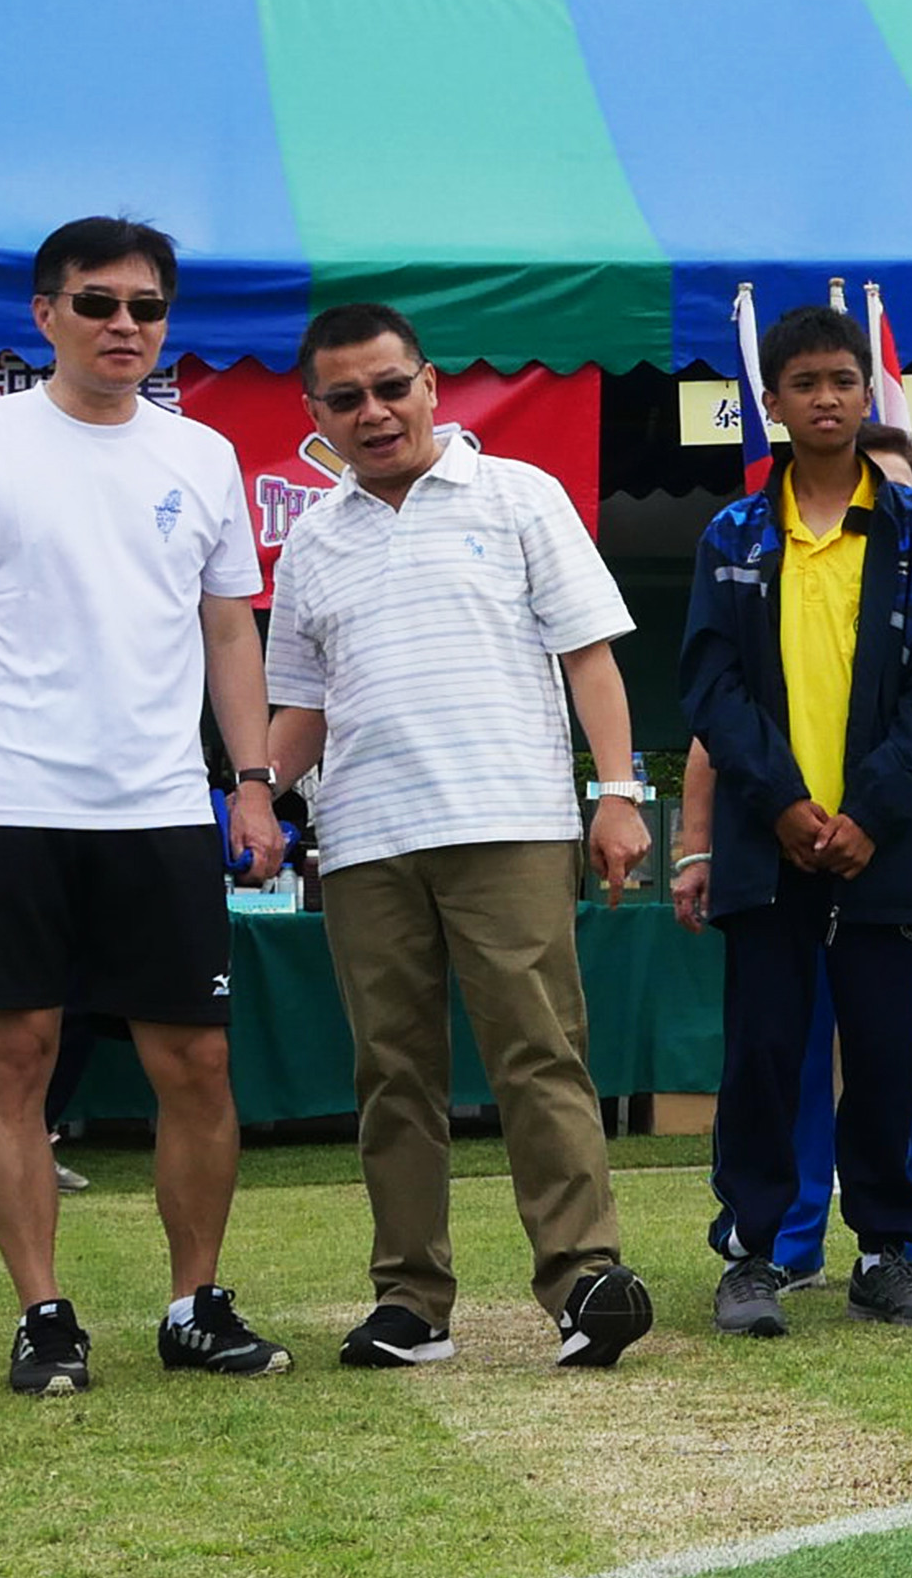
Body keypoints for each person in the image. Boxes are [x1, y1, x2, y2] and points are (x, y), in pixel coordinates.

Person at [0, 220, 293, 1392]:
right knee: (12, 1055)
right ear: (44, 313)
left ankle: (194, 1304)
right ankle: (42, 1314)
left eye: (147, 308)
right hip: (6, 801)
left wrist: (250, 783)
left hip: (160, 807)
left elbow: (227, 630)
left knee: (196, 1065)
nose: (125, 327)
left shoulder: (201, 455)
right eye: (99, 304)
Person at [260, 303, 656, 1372]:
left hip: (511, 820)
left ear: (431, 384)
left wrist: (617, 793)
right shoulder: (311, 538)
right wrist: (255, 791)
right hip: (361, 839)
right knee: (392, 1073)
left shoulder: (519, 494)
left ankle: (583, 1281)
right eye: (346, 398)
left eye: (391, 387)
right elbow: (301, 707)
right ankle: (410, 1302)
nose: (374, 413)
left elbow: (590, 659)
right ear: (315, 414)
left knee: (540, 1057)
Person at [674, 299, 912, 1340]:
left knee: (891, 1051)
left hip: (889, 842)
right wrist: (788, 805)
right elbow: (710, 690)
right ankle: (753, 1256)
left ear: (865, 392)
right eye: (802, 383)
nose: (824, 398)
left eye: (841, 381)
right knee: (763, 1052)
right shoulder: (731, 534)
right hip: (771, 842)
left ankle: (892, 1252)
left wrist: (866, 811)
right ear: (771, 403)